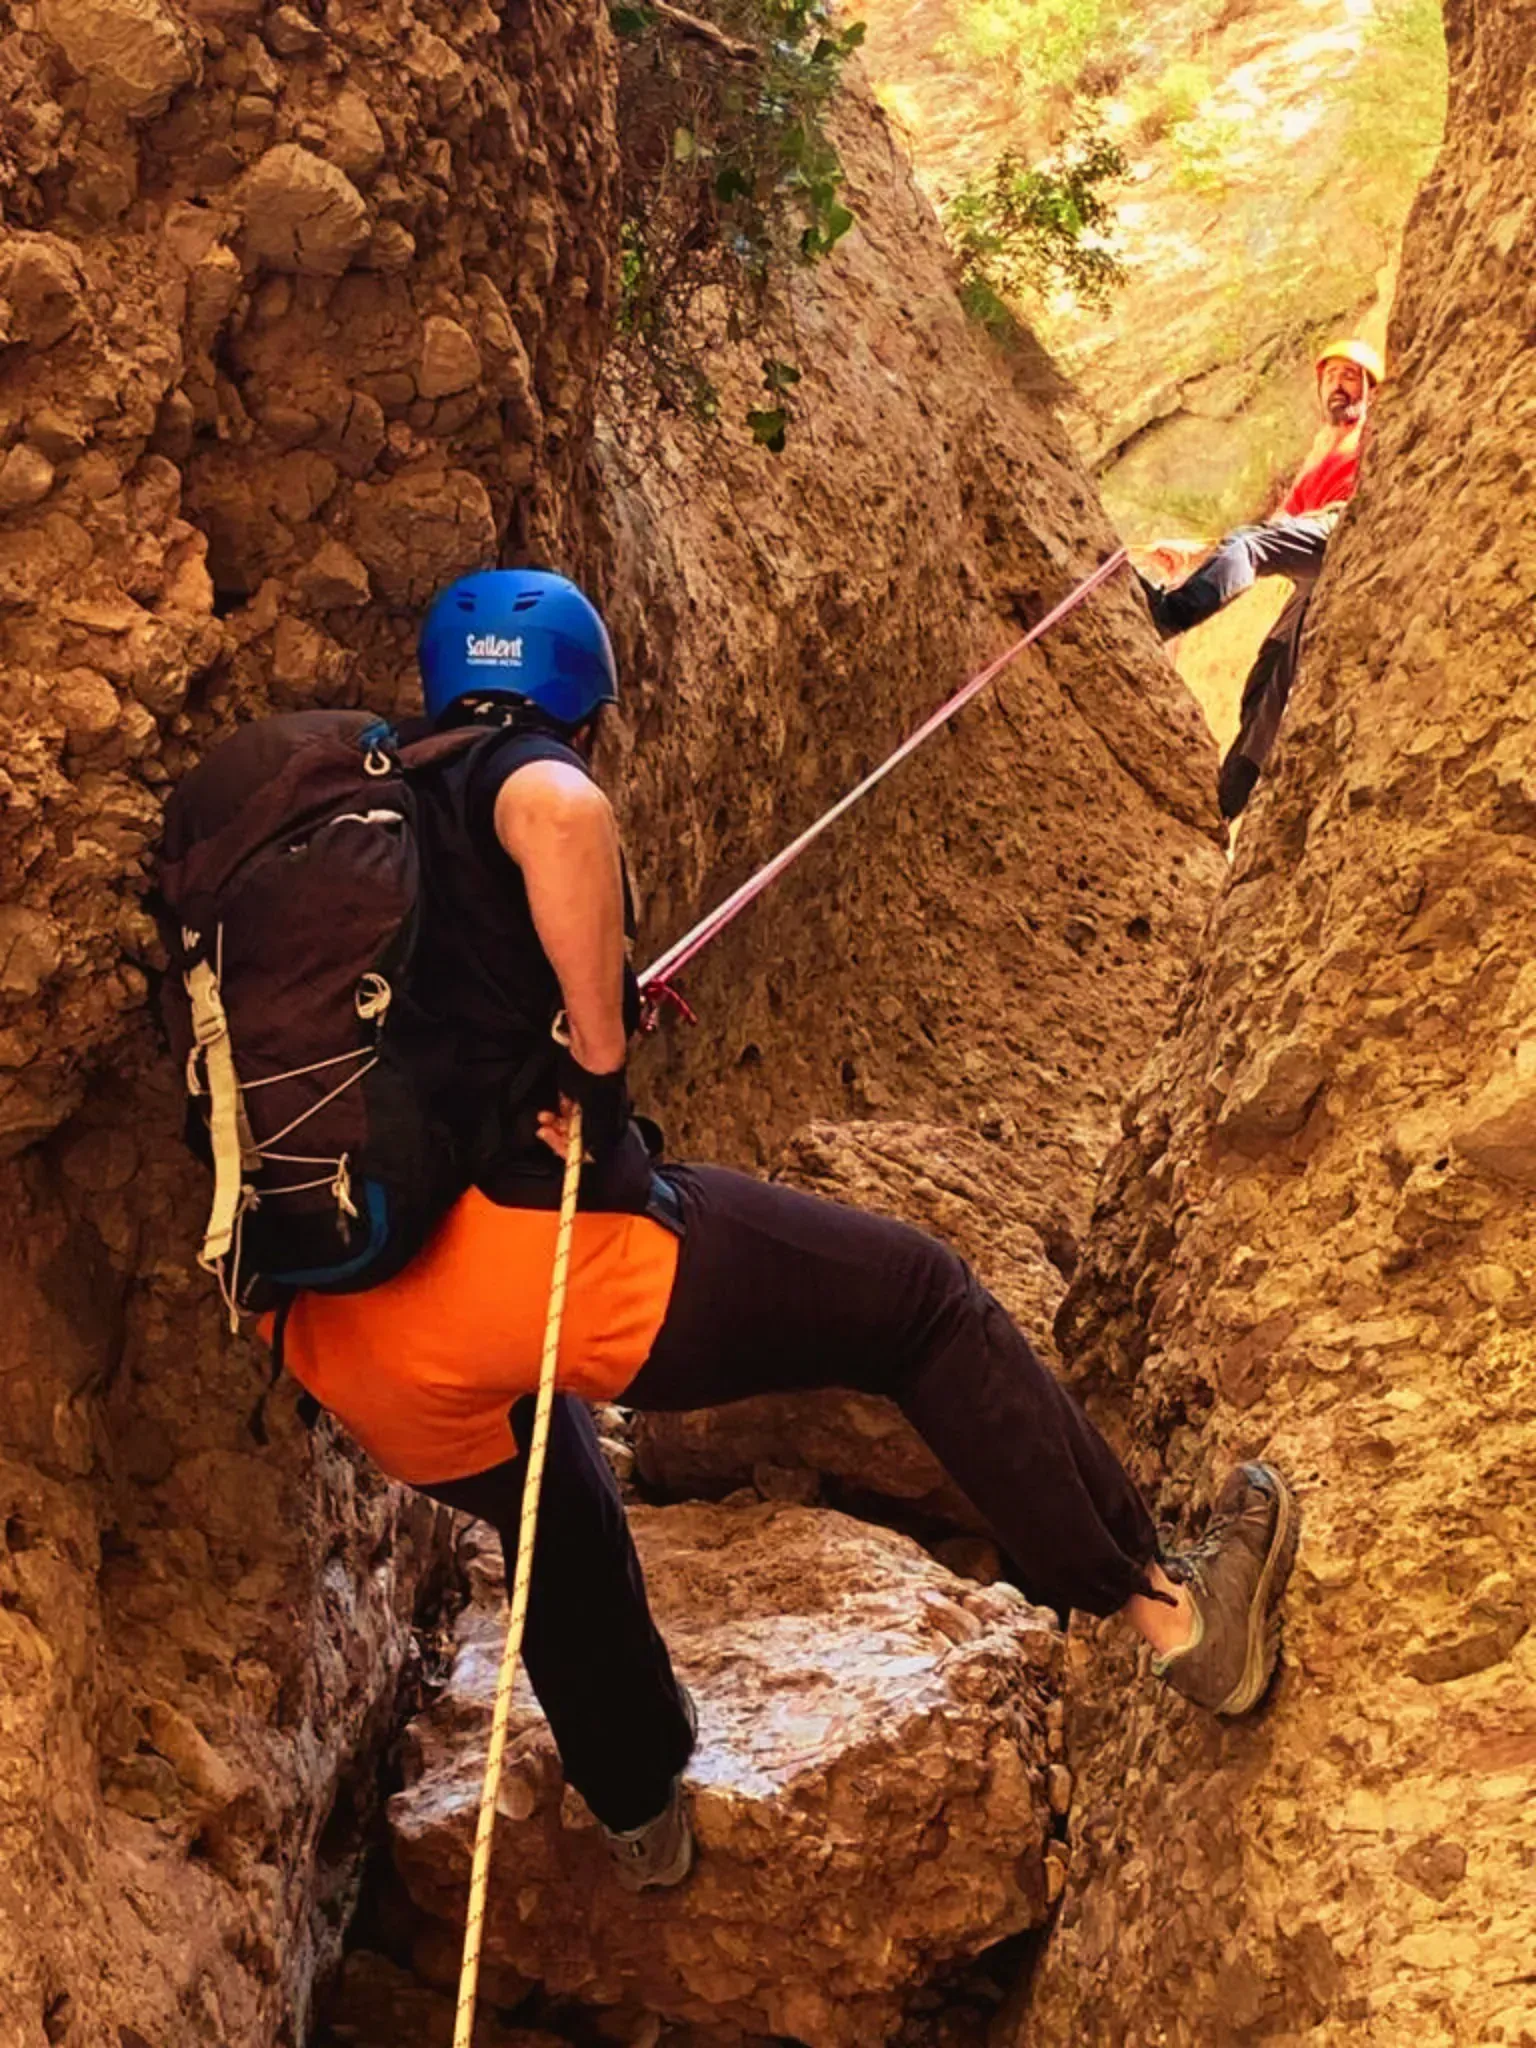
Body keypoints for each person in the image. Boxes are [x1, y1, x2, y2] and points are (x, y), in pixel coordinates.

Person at [272, 567, 1299, 1892]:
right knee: (919, 1304)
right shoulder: (518, 773)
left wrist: (567, 1026)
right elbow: (560, 815)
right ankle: (1177, 1617)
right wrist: (597, 1066)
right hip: (528, 1264)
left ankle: (640, 1815)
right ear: (576, 707)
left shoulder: (361, 825)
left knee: (554, 1507)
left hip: (341, 1324)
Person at [1137, 338, 1384, 819]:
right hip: (1319, 563)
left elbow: (1259, 543)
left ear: (1372, 390)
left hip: (1344, 527)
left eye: (1351, 376)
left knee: (1248, 546)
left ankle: (1170, 615)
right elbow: (1275, 531)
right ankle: (1227, 803)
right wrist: (1196, 552)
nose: (1339, 385)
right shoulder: (1320, 457)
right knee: (1269, 676)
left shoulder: (1375, 429)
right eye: (1331, 376)